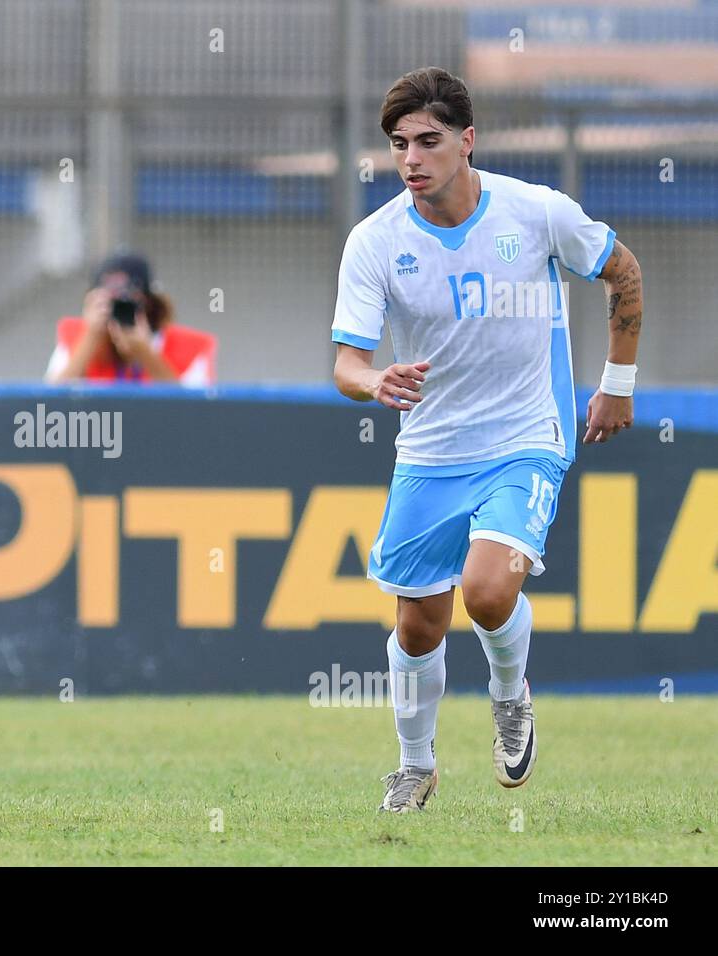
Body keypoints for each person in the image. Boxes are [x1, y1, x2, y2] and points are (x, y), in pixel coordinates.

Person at [330, 67, 642, 812]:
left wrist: (618, 385)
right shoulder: (375, 242)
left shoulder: (536, 213)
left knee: (488, 589)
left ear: (467, 141)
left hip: (526, 436)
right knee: (417, 623)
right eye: (400, 144)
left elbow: (623, 273)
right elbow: (346, 362)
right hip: (432, 451)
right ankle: (416, 764)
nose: (411, 158)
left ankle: (510, 696)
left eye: (429, 141)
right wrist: (372, 382)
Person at [45, 253, 216, 385]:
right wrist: (91, 337)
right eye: (110, 299)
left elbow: (194, 412)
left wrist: (144, 352)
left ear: (149, 301)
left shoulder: (188, 347)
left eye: (128, 298)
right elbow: (50, 405)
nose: (119, 307)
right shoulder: (77, 338)